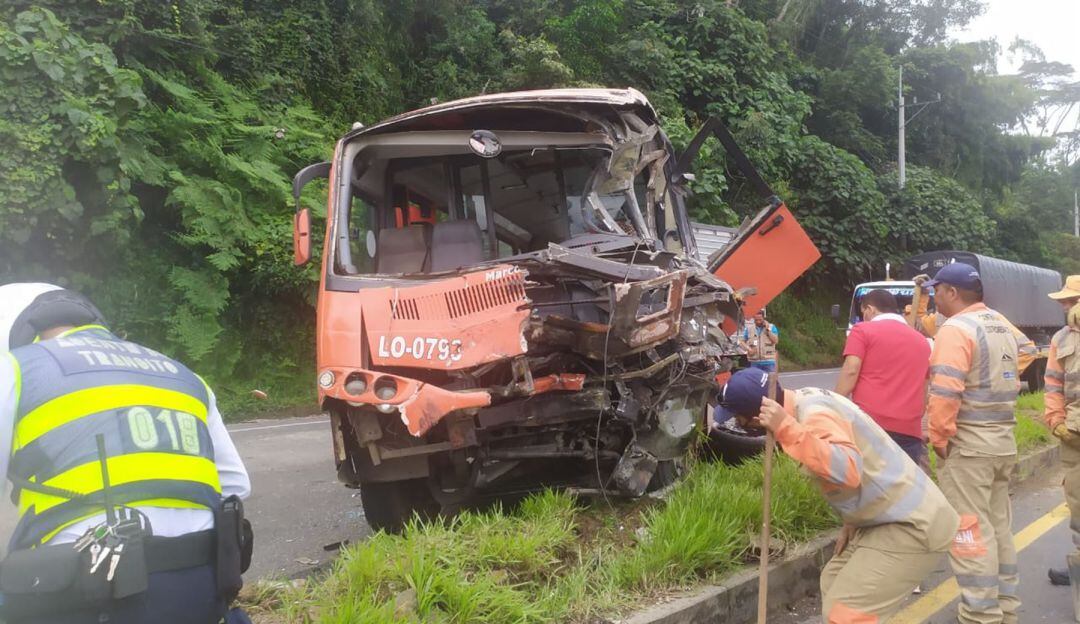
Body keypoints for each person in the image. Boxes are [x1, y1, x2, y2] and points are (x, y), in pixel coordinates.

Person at [0, 283, 252, 624]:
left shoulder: (15, 368)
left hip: (89, 595)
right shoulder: (183, 374)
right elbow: (235, 485)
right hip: (202, 587)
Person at [716, 368, 960, 623]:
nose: (740, 424)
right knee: (833, 582)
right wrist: (851, 519)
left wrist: (786, 429)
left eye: (740, 419)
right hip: (884, 517)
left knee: (846, 615)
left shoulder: (813, 416)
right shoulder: (805, 400)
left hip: (914, 524)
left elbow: (848, 468)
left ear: (758, 417)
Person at [925, 263, 1026, 624]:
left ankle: (981, 614)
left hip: (968, 449)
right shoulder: (999, 322)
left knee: (970, 533)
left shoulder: (955, 329)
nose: (934, 297)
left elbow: (945, 389)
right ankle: (1006, 607)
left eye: (937, 290)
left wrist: (938, 437)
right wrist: (1004, 383)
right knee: (999, 529)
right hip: (1002, 443)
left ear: (951, 292)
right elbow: (1026, 350)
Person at [835, 289, 931, 465]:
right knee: (903, 487)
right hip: (909, 431)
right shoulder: (922, 341)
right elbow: (924, 388)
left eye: (864, 312)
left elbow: (851, 369)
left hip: (870, 425)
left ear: (870, 309)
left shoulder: (863, 330)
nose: (864, 317)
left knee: (869, 487)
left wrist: (834, 405)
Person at [1042, 276, 1080, 607]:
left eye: (1072, 300)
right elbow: (1053, 383)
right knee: (1078, 502)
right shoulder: (1060, 339)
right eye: (1065, 301)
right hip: (1075, 435)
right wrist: (1056, 421)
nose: (1066, 306)